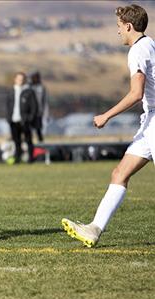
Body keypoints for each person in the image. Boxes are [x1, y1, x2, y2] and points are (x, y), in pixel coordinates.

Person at [62, 4, 154, 248]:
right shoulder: (149, 44)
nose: (117, 32)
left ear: (128, 26)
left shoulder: (137, 50)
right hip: (149, 122)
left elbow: (136, 93)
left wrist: (107, 116)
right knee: (119, 173)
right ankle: (94, 229)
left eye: (118, 27)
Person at [5, 72, 38, 164]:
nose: (20, 81)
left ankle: (31, 158)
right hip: (13, 120)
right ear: (15, 79)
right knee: (16, 141)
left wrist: (30, 118)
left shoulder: (29, 92)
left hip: (25, 120)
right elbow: (8, 106)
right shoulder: (11, 91)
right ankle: (17, 158)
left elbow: (34, 106)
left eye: (22, 79)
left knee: (28, 140)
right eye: (19, 79)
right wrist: (8, 118)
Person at [30, 71, 48, 142]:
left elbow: (44, 101)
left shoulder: (41, 88)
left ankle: (41, 143)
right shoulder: (29, 86)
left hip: (38, 113)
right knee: (28, 130)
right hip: (30, 112)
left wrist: (45, 114)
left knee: (38, 129)